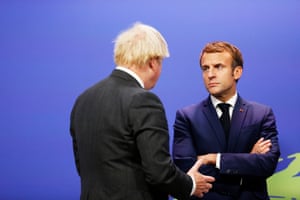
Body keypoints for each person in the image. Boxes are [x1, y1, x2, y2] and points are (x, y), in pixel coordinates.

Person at [69, 22, 215, 200]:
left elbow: (82, 167)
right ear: (153, 63)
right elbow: (159, 171)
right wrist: (190, 184)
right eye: (161, 62)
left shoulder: (84, 99)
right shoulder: (143, 101)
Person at [172, 41, 280, 200]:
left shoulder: (261, 114)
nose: (210, 74)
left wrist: (215, 159)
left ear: (237, 72)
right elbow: (188, 169)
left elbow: (267, 164)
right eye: (205, 68)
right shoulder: (187, 116)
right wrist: (248, 158)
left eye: (218, 67)